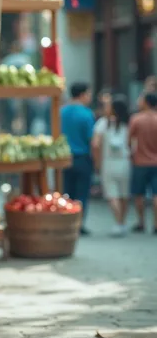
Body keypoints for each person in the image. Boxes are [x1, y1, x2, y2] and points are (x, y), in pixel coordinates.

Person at [92, 95, 131, 236]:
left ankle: (118, 223)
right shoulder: (128, 122)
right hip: (126, 162)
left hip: (108, 163)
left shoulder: (103, 123)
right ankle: (123, 222)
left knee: (112, 194)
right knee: (124, 194)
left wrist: (97, 163)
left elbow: (95, 144)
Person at [61, 82, 95, 234]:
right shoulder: (87, 114)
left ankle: (66, 221)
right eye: (88, 94)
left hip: (63, 157)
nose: (89, 97)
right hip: (82, 157)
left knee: (67, 192)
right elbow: (91, 140)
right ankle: (78, 224)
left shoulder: (61, 112)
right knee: (81, 193)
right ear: (82, 95)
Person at [129, 92, 157, 233]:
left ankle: (141, 222)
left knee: (139, 194)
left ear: (146, 102)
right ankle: (156, 223)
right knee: (155, 194)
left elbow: (129, 140)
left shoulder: (136, 119)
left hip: (140, 161)